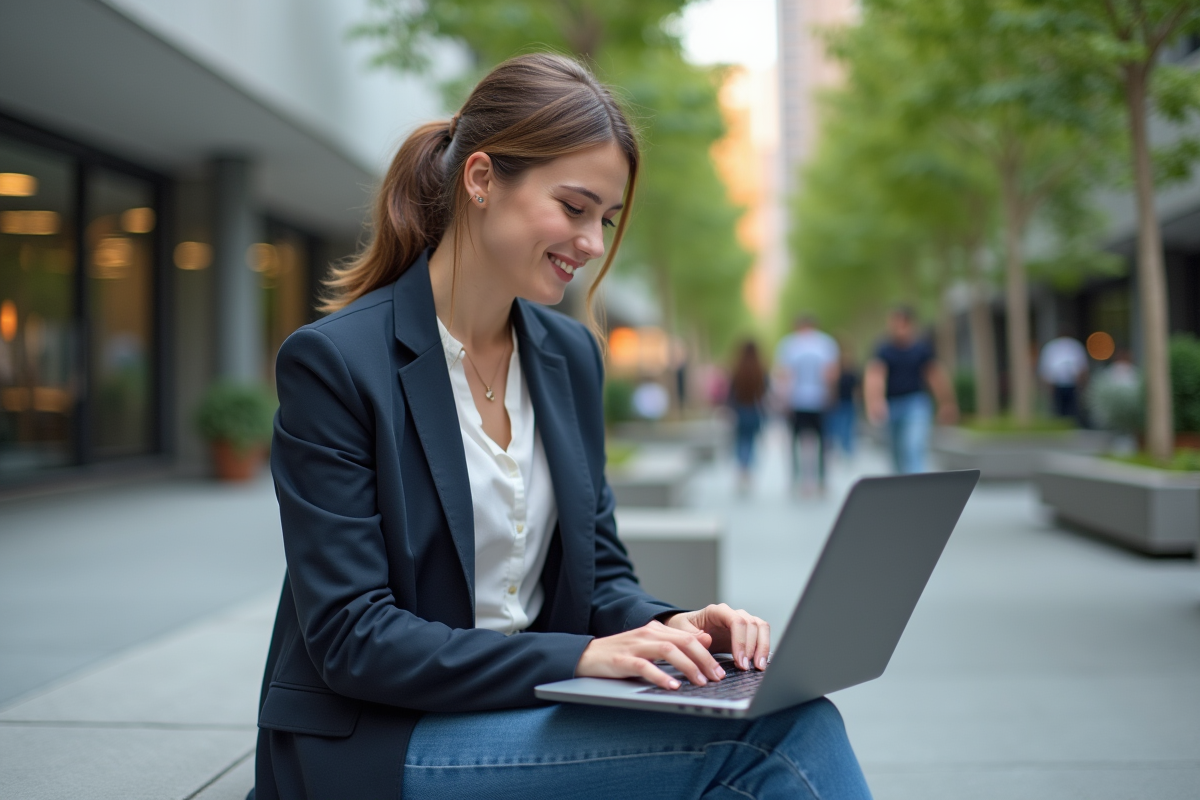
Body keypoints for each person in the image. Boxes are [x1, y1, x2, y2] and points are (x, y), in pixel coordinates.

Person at [250, 54, 871, 800]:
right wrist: (577, 660)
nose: (593, 244)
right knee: (777, 742)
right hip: (377, 738)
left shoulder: (568, 356)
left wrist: (678, 629)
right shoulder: (335, 364)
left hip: (528, 706)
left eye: (605, 220)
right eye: (575, 209)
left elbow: (600, 576)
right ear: (481, 180)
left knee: (786, 711)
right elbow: (353, 637)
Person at [864, 307, 958, 474]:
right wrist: (875, 402)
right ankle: (901, 487)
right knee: (896, 453)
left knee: (914, 445)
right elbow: (875, 376)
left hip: (916, 403)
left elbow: (934, 375)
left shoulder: (922, 349)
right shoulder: (883, 349)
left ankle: (917, 484)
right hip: (892, 405)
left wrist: (946, 403)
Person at [775, 315, 839, 495]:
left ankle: (797, 479)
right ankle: (821, 480)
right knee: (822, 442)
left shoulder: (789, 344)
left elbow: (785, 375)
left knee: (796, 442)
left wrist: (784, 399)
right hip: (819, 399)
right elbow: (830, 373)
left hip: (797, 400)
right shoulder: (826, 343)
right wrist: (831, 394)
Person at [727, 340, 769, 494]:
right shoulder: (760, 369)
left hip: (740, 411)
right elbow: (764, 392)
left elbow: (731, 393)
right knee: (751, 442)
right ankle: (748, 472)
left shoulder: (737, 369)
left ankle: (742, 470)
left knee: (740, 442)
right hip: (755, 411)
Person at [1038, 327, 1088, 422]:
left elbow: (1082, 367)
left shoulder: (1074, 346)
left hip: (1071, 382)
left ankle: (1071, 423)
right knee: (1058, 408)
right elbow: (1046, 368)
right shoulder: (1052, 347)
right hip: (1056, 383)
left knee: (1072, 408)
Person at [825, 348, 860, 458]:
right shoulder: (837, 373)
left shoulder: (852, 373)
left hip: (849, 403)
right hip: (838, 404)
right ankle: (839, 449)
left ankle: (848, 450)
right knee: (838, 427)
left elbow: (857, 388)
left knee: (848, 427)